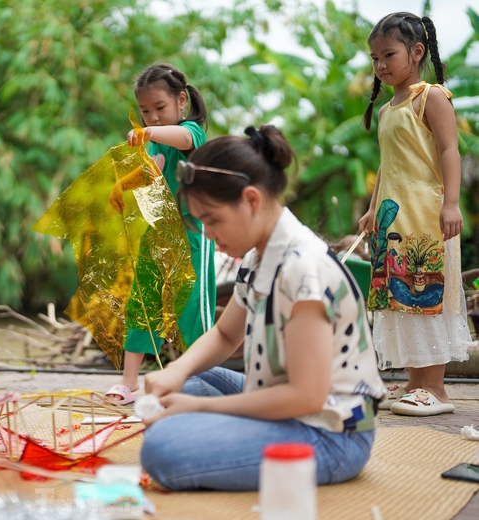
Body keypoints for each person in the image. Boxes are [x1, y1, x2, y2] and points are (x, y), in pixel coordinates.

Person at [139, 126, 386, 491]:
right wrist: (175, 371)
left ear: (251, 200)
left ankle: (198, 429)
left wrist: (200, 410)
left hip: (330, 434)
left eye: (212, 219)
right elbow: (225, 334)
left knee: (163, 447)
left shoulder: (302, 269)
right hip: (291, 404)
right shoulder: (260, 257)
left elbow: (307, 396)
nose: (207, 233)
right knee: (196, 381)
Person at [358, 12, 473, 416]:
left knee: (427, 295)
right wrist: (373, 210)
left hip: (427, 217)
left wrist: (452, 203)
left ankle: (437, 390)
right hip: (394, 220)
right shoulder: (390, 109)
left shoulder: (432, 96)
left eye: (388, 54)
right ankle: (414, 382)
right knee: (399, 299)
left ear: (417, 51)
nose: (380, 65)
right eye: (375, 58)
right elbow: (389, 167)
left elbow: (448, 151)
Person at [105, 63, 216, 404]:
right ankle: (128, 382)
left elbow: (182, 139)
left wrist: (150, 133)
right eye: (145, 112)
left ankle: (199, 379)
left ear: (181, 101)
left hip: (194, 237)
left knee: (193, 309)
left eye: (160, 108)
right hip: (158, 235)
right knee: (143, 303)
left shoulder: (190, 132)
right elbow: (152, 171)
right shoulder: (157, 144)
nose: (152, 117)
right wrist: (122, 185)